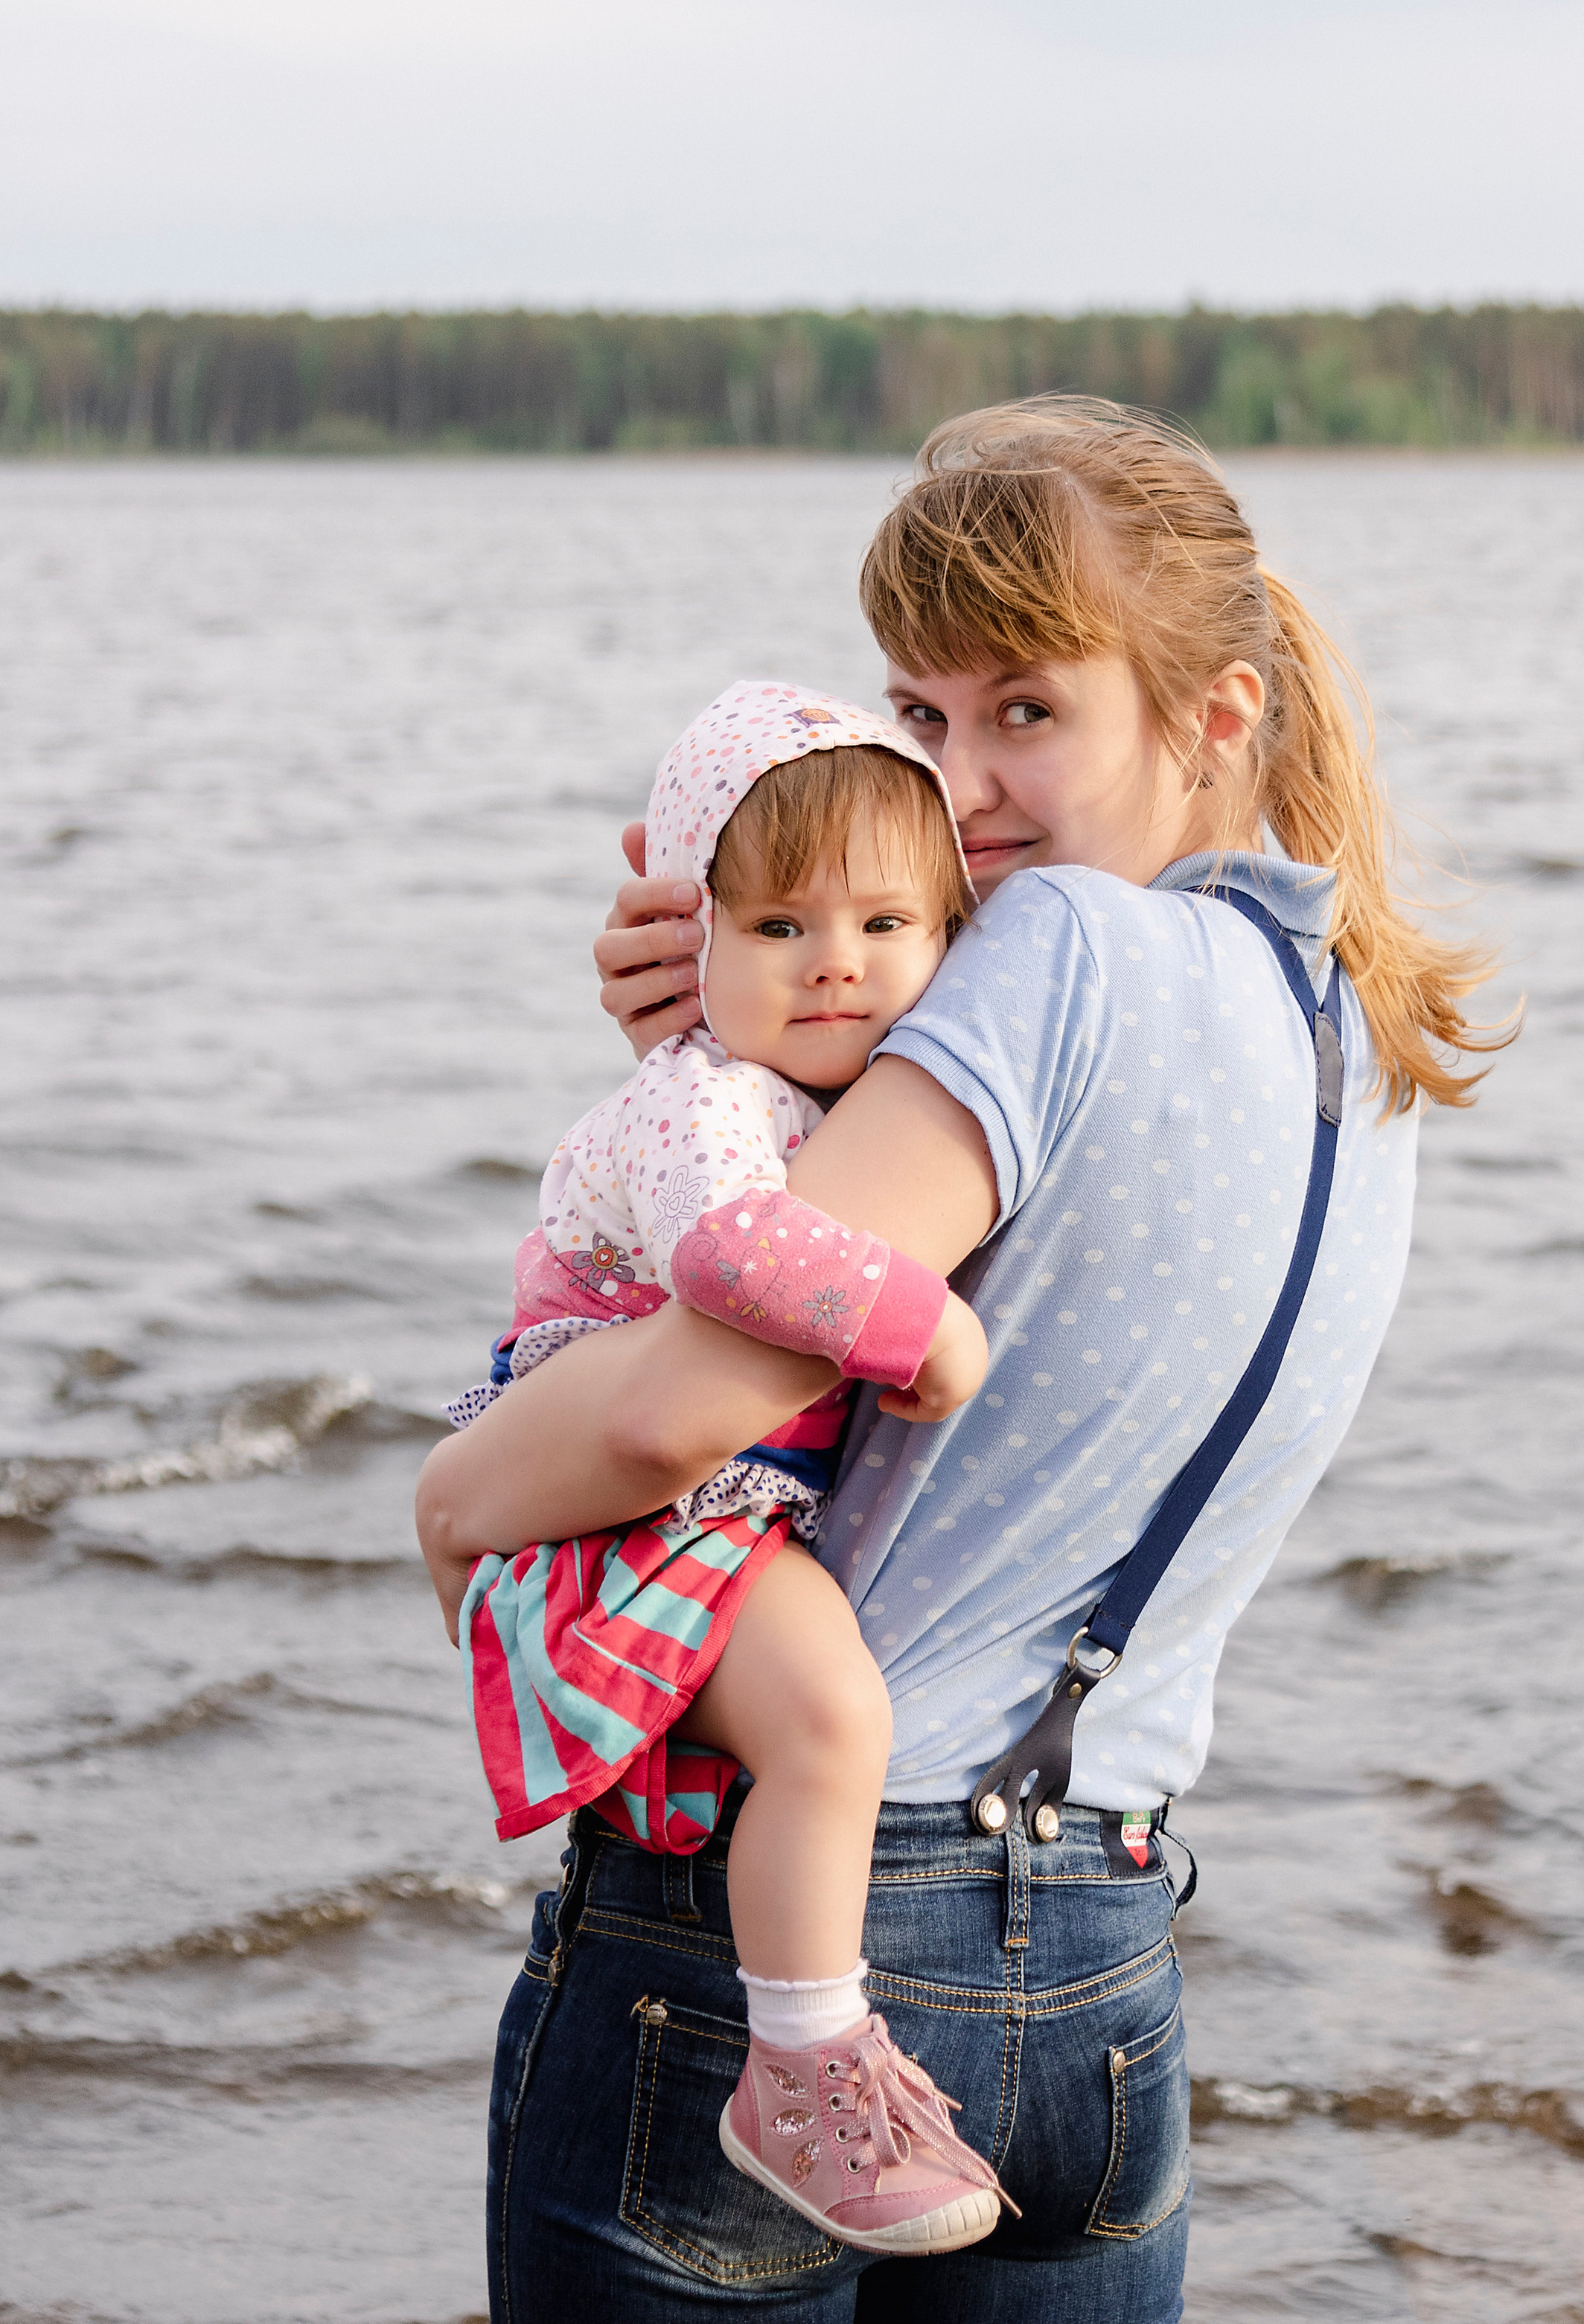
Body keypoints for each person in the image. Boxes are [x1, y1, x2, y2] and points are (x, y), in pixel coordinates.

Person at [415, 397, 1508, 2321]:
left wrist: (457, 1493)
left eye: (1026, 713)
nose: (964, 781)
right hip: (1100, 1950)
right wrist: (729, 1044)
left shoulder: (1054, 954)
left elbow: (684, 1403)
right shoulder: (1357, 1024)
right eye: (917, 716)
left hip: (793, 1945)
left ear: (1212, 713)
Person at [447, 679, 1013, 2255]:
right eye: (777, 929)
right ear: (692, 941)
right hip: (640, 1503)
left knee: (798, 1732)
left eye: (887, 923)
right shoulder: (698, 1101)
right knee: (832, 1720)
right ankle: (800, 2063)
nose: (835, 960)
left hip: (721, 1496)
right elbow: (732, 1250)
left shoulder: (827, 1092)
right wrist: (928, 1336)